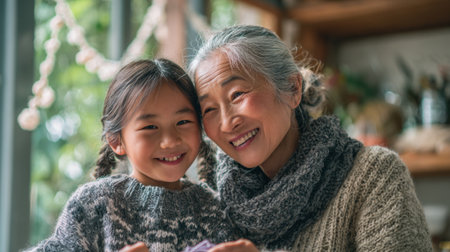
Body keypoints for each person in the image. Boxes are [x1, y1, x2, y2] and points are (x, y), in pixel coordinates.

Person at [189, 25, 432, 251]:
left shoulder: (373, 175)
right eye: (209, 109)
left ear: (293, 88)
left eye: (237, 94)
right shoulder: (210, 201)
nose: (227, 122)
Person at [25, 59, 234, 251]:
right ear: (117, 141)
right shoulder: (96, 204)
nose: (170, 140)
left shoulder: (214, 211)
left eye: (183, 122)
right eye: (150, 126)